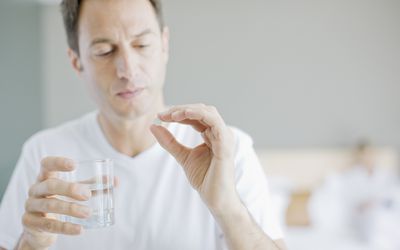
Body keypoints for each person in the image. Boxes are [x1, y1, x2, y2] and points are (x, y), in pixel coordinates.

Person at [0, 0, 286, 249]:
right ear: (76, 62)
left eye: (142, 44)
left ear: (164, 45)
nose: (128, 68)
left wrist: (228, 207)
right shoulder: (45, 154)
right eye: (104, 51)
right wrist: (31, 244)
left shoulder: (226, 150)